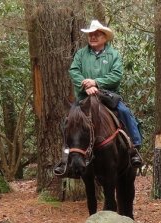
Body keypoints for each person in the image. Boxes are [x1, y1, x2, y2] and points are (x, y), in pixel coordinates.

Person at [54, 20, 143, 176]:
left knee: (125, 113)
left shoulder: (113, 54)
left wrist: (96, 82)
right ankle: (65, 158)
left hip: (107, 96)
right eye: (90, 34)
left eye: (96, 34)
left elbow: (116, 75)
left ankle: (134, 148)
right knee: (68, 121)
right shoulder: (81, 54)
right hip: (83, 98)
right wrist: (85, 84)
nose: (93, 37)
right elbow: (74, 71)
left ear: (104, 37)